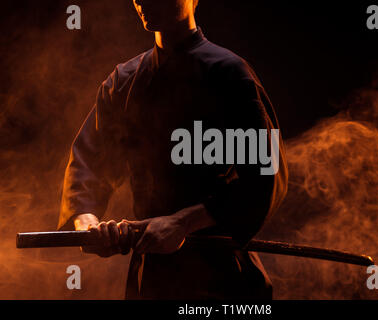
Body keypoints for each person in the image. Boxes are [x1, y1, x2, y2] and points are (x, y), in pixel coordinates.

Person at [58, 0, 288, 299]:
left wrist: (182, 223)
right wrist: (86, 220)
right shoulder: (123, 82)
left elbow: (264, 178)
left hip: (220, 275)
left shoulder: (230, 74)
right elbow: (89, 163)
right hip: (152, 278)